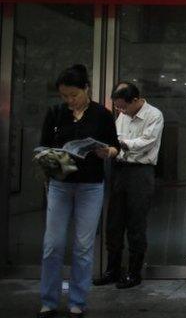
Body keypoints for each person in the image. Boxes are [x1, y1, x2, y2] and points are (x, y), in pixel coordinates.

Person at [37, 64, 120, 318]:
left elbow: (115, 147)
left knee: (83, 246)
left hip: (90, 185)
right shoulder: (56, 113)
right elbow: (43, 147)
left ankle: (77, 301)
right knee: (53, 244)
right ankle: (49, 300)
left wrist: (106, 152)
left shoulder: (102, 114)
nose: (69, 100)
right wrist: (49, 157)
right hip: (60, 184)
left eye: (73, 95)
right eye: (64, 96)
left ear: (86, 89)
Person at [93, 82, 164, 289]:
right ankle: (112, 270)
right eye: (117, 108)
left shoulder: (154, 115)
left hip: (141, 172)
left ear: (136, 100)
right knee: (114, 222)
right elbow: (115, 140)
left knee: (136, 223)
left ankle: (134, 273)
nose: (121, 111)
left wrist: (121, 143)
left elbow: (147, 142)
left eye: (123, 107)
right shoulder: (122, 114)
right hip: (119, 170)